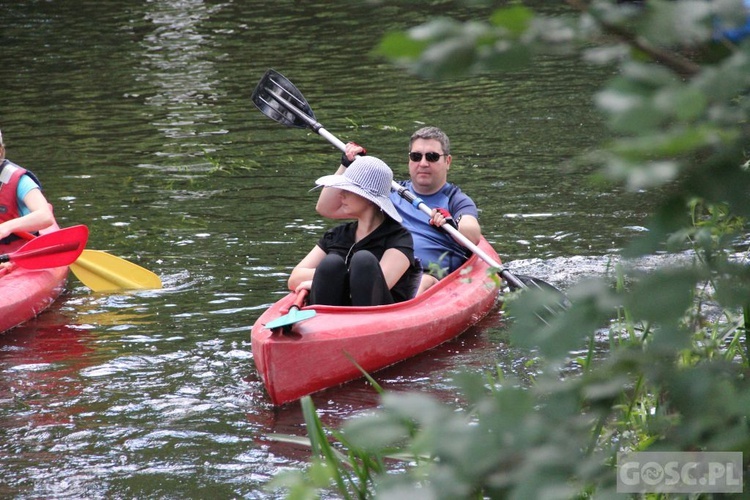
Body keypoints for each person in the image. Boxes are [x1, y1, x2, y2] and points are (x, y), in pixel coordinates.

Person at [316, 126, 481, 293]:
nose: (423, 163)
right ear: (409, 160)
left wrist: (451, 226)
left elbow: (473, 234)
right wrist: (347, 165)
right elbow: (326, 208)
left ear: (447, 161)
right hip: (381, 268)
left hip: (427, 275)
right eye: (416, 156)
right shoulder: (389, 191)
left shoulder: (456, 199)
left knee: (422, 281)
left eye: (432, 157)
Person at [288, 155, 421, 306]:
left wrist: (322, 281)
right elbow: (294, 278)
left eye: (348, 190)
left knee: (363, 261)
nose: (341, 194)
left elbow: (377, 283)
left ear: (369, 198)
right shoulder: (336, 235)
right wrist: (326, 277)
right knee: (331, 264)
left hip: (375, 314)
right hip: (328, 319)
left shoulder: (399, 238)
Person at [0, 130, 56, 268]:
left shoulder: (20, 181)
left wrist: (6, 227)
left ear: (0, 151)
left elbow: (45, 217)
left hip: (19, 255)